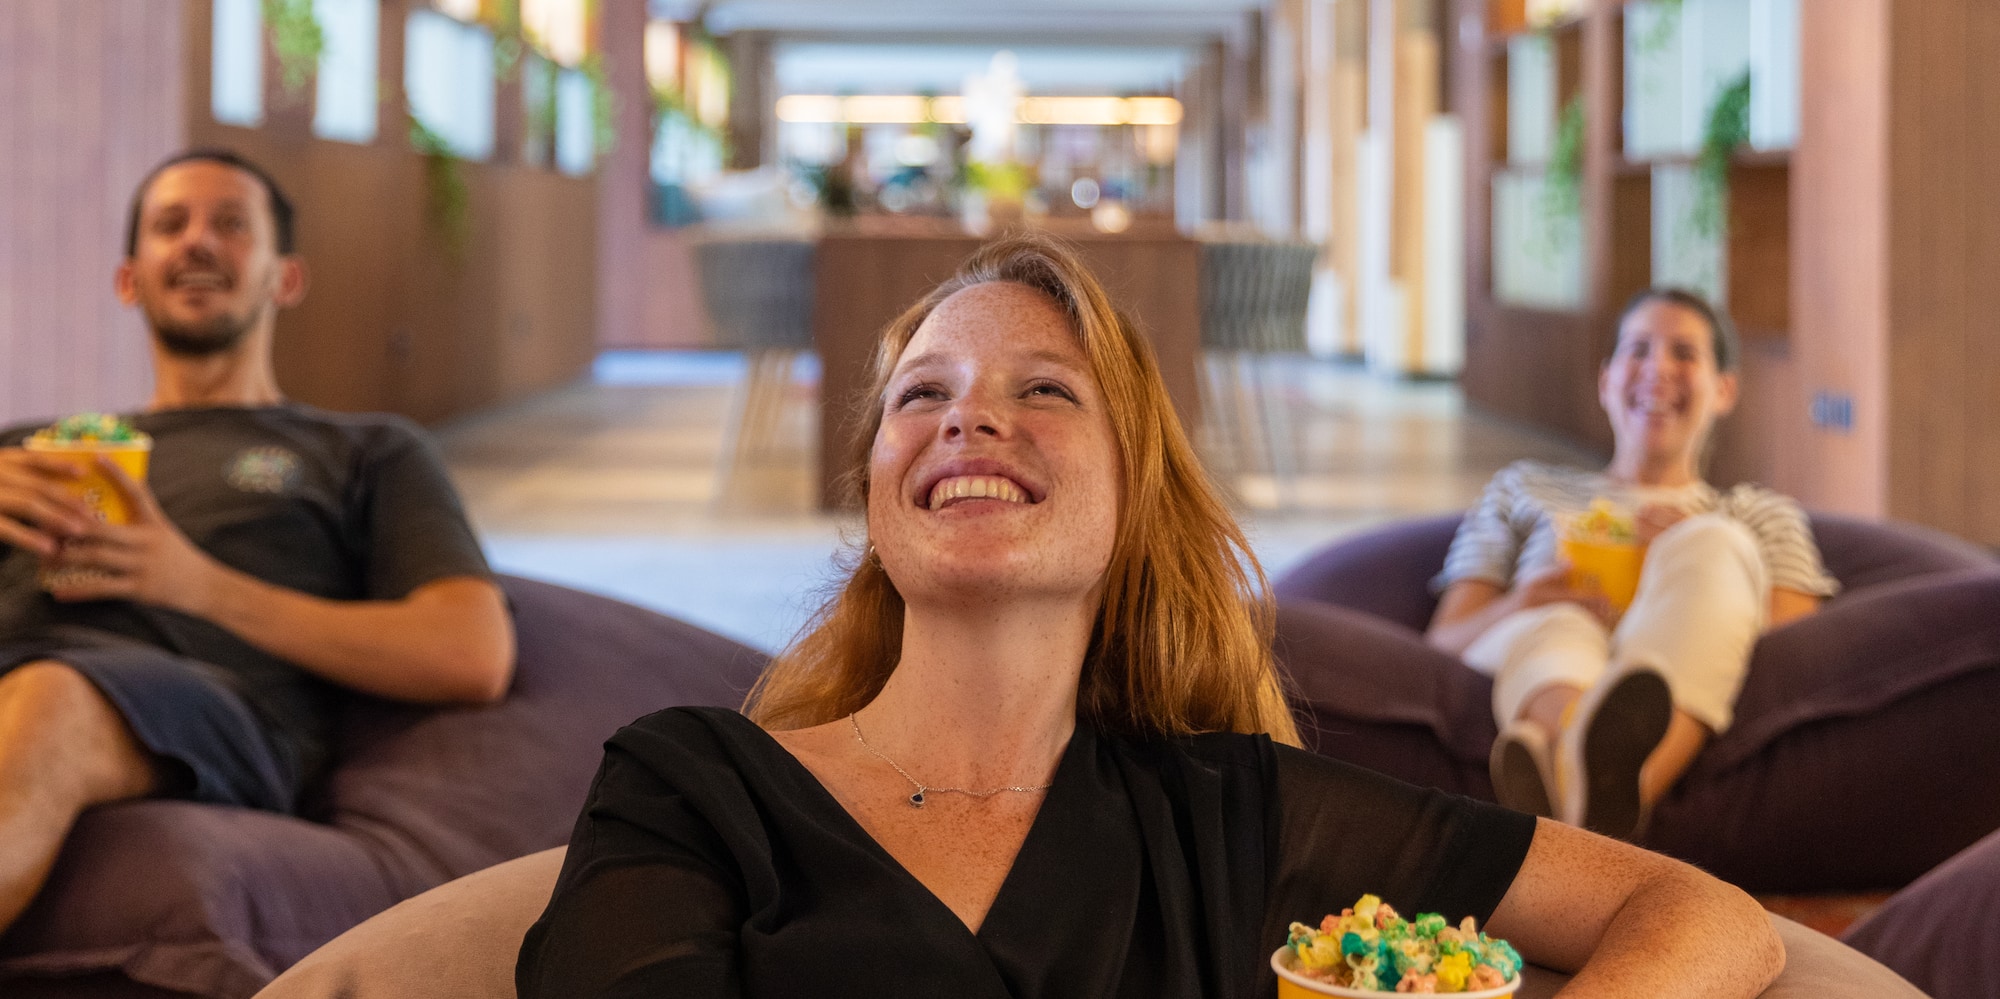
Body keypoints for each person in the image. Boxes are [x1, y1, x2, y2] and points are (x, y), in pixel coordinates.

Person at [516, 237, 1783, 997]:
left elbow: (1704, 919)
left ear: (1135, 498)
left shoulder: (1229, 810)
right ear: (873, 498)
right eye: (923, 395)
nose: (968, 416)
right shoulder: (688, 785)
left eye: (1044, 391)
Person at [0, 149, 514, 934]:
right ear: (129, 277)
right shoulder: (33, 444)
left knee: (54, 697)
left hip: (202, 706)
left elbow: (471, 651)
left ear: (286, 277)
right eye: (170, 225)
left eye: (232, 225)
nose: (198, 242)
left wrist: (190, 582)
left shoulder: (364, 450)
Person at [1426, 288, 1837, 842]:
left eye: (1684, 354)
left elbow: (1794, 662)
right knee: (1562, 625)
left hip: (1679, 666)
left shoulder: (1757, 514)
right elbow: (1444, 641)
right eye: (1638, 350)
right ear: (1606, 380)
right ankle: (1600, 798)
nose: (1657, 370)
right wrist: (1527, 600)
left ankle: (1590, 787)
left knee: (1716, 543)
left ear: (1724, 390)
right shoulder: (1525, 488)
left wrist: (1682, 562)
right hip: (1534, 649)